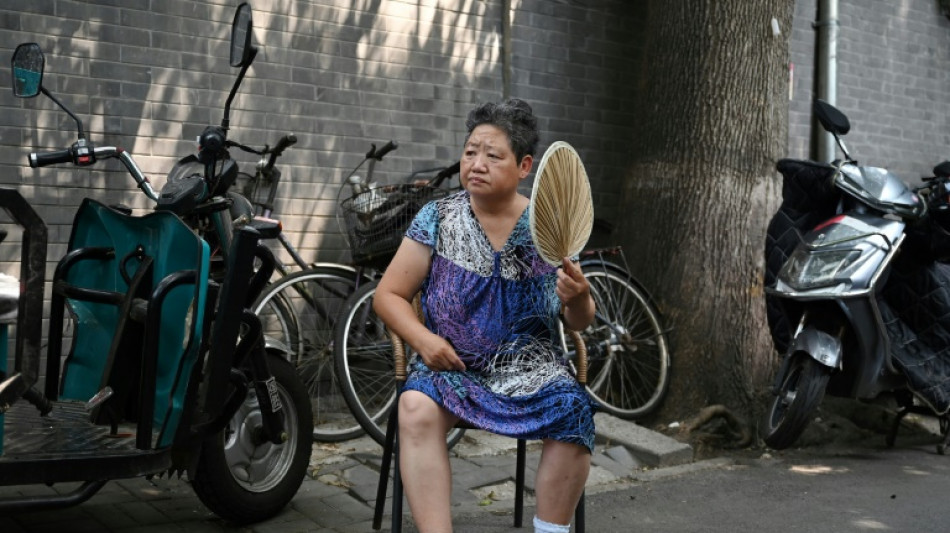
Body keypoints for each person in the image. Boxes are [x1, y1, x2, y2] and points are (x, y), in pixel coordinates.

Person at [373, 98, 596, 533]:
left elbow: (580, 322)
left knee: (573, 407)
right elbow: (389, 295)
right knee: (414, 406)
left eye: (493, 155)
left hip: (532, 370)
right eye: (470, 151)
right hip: (451, 367)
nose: (476, 163)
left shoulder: (547, 225)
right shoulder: (437, 218)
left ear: (524, 165)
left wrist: (578, 297)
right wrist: (423, 341)